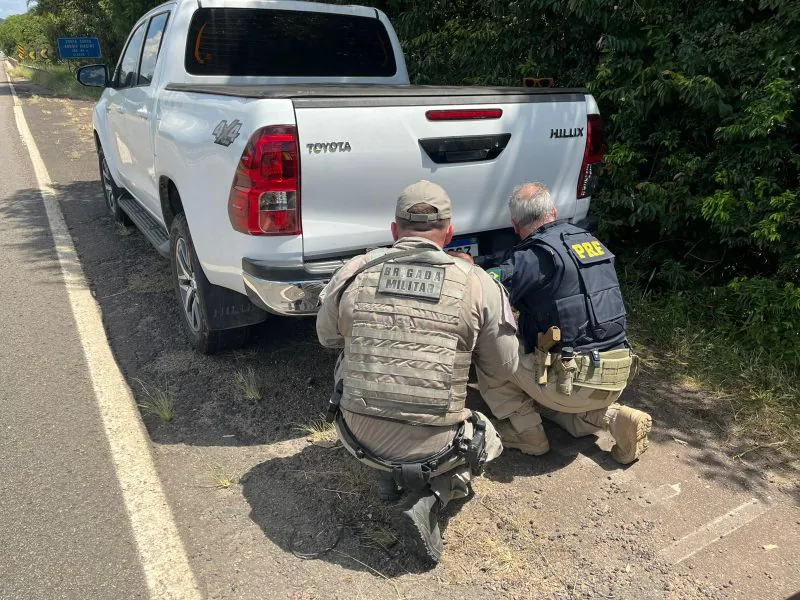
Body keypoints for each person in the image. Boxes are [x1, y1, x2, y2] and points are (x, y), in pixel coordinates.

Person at [316, 180, 519, 564]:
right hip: (434, 449)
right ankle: (435, 494)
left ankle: (383, 474)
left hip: (355, 436)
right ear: (450, 232)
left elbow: (327, 338)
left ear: (394, 231)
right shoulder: (477, 283)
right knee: (487, 435)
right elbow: (503, 369)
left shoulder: (356, 271)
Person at [473, 182, 651, 464]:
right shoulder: (590, 241)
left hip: (571, 378)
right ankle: (615, 418)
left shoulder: (531, 258)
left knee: (490, 346)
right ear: (553, 212)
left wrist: (467, 265)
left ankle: (528, 434)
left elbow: (483, 290)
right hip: (618, 372)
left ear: (515, 225)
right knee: (550, 397)